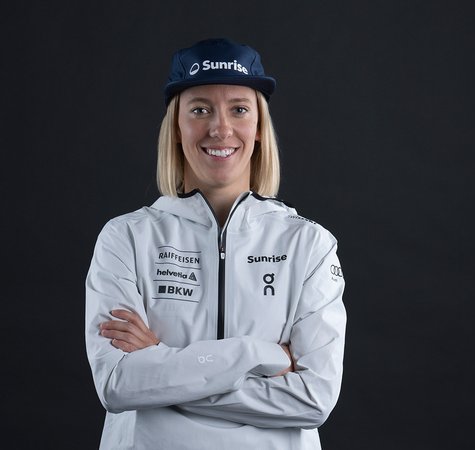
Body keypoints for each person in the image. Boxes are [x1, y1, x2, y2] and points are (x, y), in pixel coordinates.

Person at [84, 37, 346, 450]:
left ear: (258, 128)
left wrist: (161, 360)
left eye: (239, 109)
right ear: (176, 127)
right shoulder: (126, 238)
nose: (220, 129)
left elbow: (314, 398)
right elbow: (118, 383)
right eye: (200, 109)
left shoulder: (309, 244)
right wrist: (260, 355)